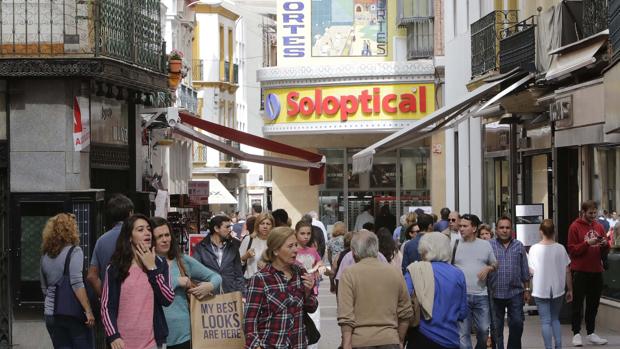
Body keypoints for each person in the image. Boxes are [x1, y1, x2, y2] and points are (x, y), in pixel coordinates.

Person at [101, 214, 175, 349]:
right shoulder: (115, 267)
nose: (147, 233)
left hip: (152, 342)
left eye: (148, 229)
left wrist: (152, 268)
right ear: (129, 237)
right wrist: (113, 335)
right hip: (122, 343)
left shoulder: (160, 263)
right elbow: (106, 306)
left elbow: (168, 299)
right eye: (140, 230)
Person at [151, 217, 222, 349]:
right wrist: (177, 281)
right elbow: (147, 288)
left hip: (183, 333)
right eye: (159, 236)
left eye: (167, 235)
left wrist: (209, 286)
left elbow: (216, 277)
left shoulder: (182, 261)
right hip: (153, 335)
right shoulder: (145, 265)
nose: (165, 239)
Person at [244, 226, 318, 348]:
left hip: (298, 344)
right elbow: (249, 320)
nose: (295, 250)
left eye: (296, 245)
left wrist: (308, 292)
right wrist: (255, 346)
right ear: (276, 250)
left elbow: (312, 307)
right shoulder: (261, 279)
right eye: (290, 246)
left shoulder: (301, 272)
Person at [337, 230, 413, 349]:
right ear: (376, 250)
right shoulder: (394, 273)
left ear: (354, 253)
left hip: (360, 340)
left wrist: (346, 343)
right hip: (390, 338)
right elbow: (406, 311)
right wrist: (400, 339)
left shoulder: (349, 274)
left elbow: (346, 315)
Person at [403, 231, 467, 349]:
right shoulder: (458, 274)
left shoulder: (415, 271)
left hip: (421, 336)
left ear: (426, 250)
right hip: (450, 339)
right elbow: (462, 313)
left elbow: (404, 303)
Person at [40, 213, 95, 348]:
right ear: (71, 230)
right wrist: (88, 310)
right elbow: (76, 283)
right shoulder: (74, 251)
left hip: (50, 314)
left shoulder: (45, 256)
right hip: (72, 313)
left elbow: (44, 288)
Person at [568, 200, 609, 346]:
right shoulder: (574, 227)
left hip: (596, 270)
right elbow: (572, 250)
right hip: (580, 271)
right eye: (590, 213)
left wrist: (605, 244)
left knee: (593, 303)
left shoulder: (599, 226)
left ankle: (591, 332)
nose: (593, 215)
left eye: (595, 213)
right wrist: (587, 244)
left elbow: (606, 245)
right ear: (583, 212)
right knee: (578, 303)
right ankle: (576, 333)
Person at [453, 213, 497, 349]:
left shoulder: (485, 245)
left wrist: (489, 268)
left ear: (474, 228)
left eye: (465, 226)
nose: (461, 228)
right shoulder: (454, 244)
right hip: (461, 296)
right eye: (460, 226)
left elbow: (495, 263)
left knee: (484, 330)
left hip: (481, 295)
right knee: (462, 334)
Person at [529, 219, 573, 349]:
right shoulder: (560, 248)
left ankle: (548, 347)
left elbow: (531, 271)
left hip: (540, 289)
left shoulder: (534, 249)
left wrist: (528, 288)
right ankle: (558, 346)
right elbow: (568, 271)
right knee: (555, 319)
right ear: (554, 232)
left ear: (541, 232)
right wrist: (570, 289)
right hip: (558, 289)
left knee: (545, 321)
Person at [488, 217, 531, 349]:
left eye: (507, 228)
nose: (504, 230)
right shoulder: (489, 245)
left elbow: (524, 269)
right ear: (496, 230)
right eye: (501, 228)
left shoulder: (519, 245)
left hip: (515, 293)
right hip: (495, 293)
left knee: (517, 323)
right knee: (496, 328)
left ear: (511, 230)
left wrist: (527, 290)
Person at [87, 194, 134, 297]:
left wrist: (105, 297)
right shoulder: (136, 237)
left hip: (110, 302)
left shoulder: (101, 241)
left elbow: (91, 276)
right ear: (130, 213)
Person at [193, 215, 245, 294]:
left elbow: (238, 274)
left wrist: (242, 294)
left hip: (230, 294)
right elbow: (195, 273)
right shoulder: (201, 248)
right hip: (209, 296)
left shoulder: (233, 247)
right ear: (216, 229)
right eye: (227, 227)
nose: (230, 230)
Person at [294, 221, 325, 349]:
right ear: (295, 233)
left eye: (308, 233)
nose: (306, 236)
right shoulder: (292, 249)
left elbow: (321, 263)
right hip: (295, 292)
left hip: (311, 292)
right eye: (302, 233)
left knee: (313, 326)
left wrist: (319, 268)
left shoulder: (312, 250)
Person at [240, 212, 275, 280]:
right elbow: (237, 262)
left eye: (268, 224)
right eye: (262, 223)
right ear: (257, 225)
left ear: (272, 226)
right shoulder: (249, 239)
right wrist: (246, 256)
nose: (265, 226)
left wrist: (268, 266)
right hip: (250, 280)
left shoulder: (274, 242)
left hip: (270, 281)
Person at [326, 221, 346, 292]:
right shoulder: (345, 239)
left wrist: (331, 262)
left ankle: (333, 286)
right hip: (344, 262)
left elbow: (329, 255)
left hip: (335, 263)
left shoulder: (330, 241)